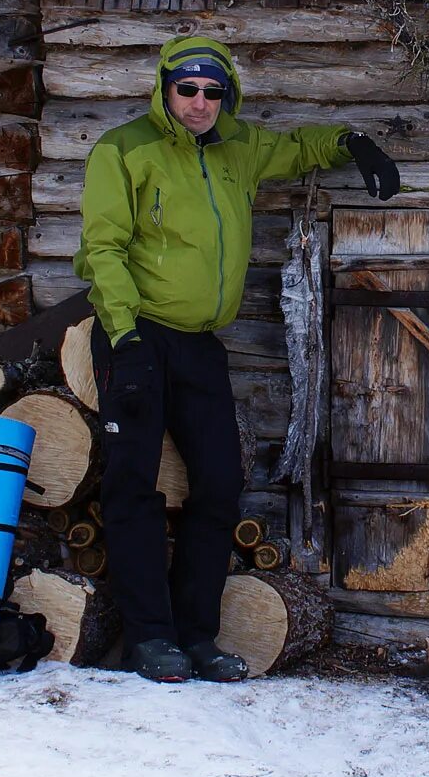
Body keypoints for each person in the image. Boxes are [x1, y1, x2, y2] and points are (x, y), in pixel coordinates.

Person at [74, 35, 400, 682]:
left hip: (199, 346)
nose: (200, 102)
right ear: (166, 88)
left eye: (213, 91)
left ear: (228, 96)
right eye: (188, 89)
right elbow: (102, 247)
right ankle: (148, 637)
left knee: (220, 482)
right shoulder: (125, 150)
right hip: (135, 335)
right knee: (134, 486)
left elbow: (299, 146)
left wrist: (353, 143)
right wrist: (125, 333)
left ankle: (196, 635)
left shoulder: (238, 149)